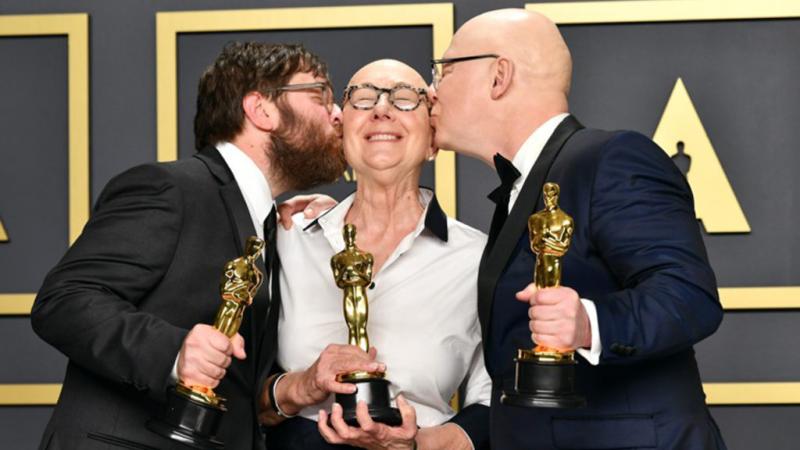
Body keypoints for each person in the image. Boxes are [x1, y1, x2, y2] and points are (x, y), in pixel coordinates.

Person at [428, 9, 727, 450]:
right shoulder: (522, 187)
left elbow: (689, 296)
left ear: (499, 76)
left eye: (445, 70)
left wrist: (590, 323)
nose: (432, 90)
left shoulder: (611, 159)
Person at [30, 42, 346, 449]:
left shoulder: (270, 225)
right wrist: (174, 352)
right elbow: (64, 301)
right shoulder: (170, 189)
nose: (336, 113)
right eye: (319, 94)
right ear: (260, 109)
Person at [259, 59, 491, 450]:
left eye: (405, 100)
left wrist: (413, 444)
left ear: (433, 140)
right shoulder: (285, 240)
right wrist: (303, 385)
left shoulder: (479, 259)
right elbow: (236, 393)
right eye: (363, 99)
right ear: (341, 132)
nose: (381, 110)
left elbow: (495, 404)